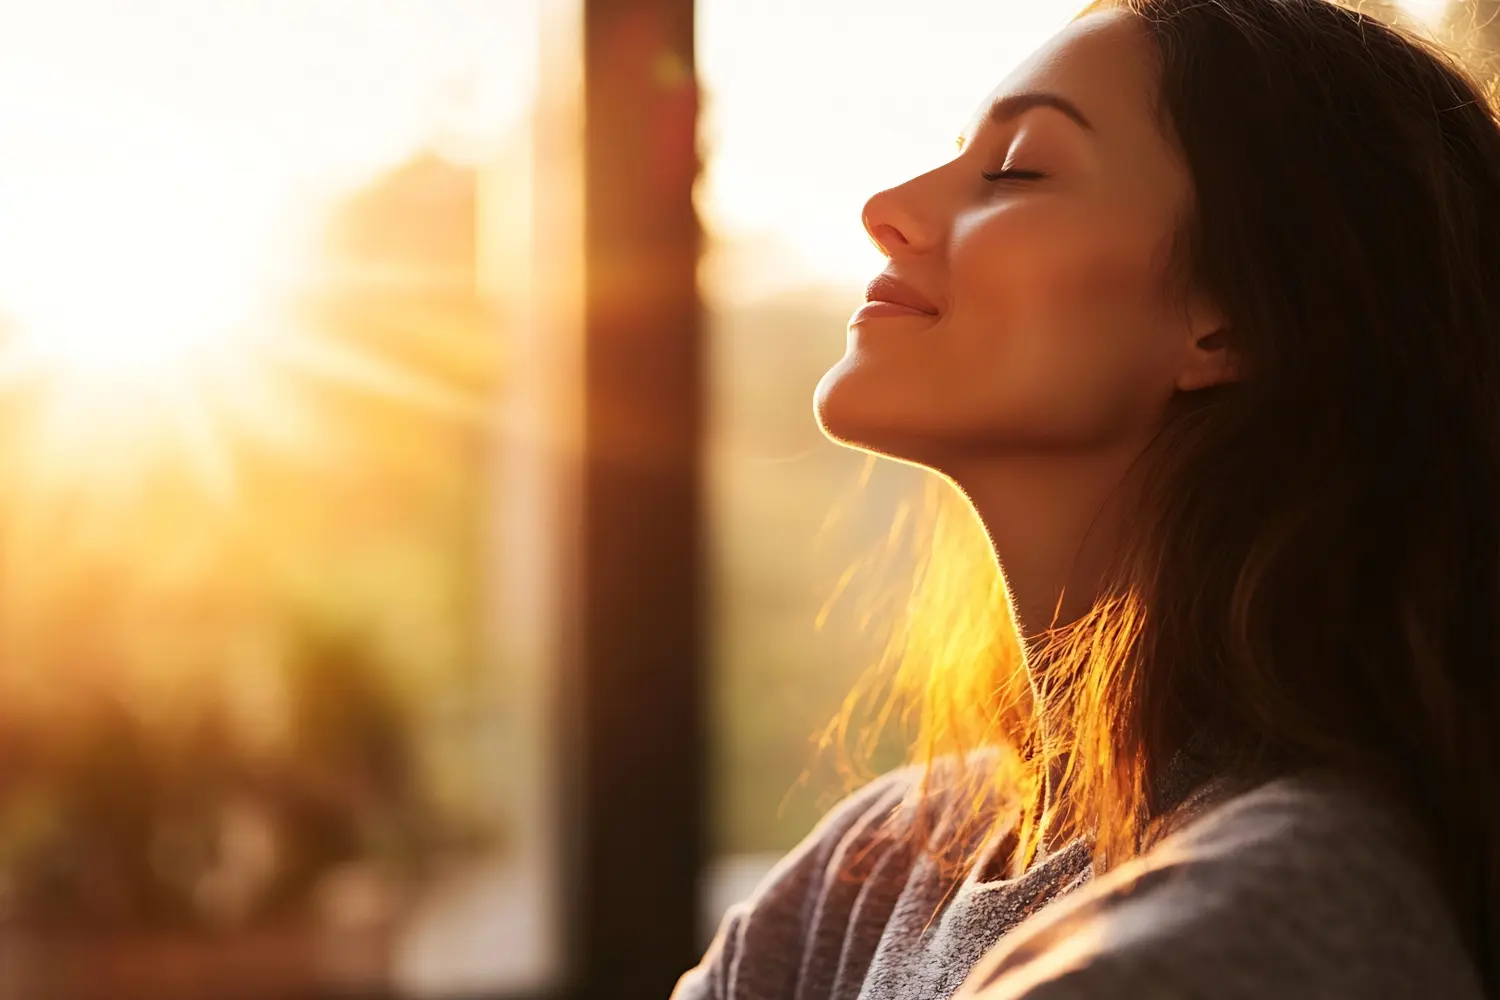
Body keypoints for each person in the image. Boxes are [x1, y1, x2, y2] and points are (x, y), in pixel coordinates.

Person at [671, 0, 1500, 996]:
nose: (885, 205)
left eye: (1018, 169)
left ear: (1229, 317)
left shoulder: (1257, 924)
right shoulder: (875, 870)